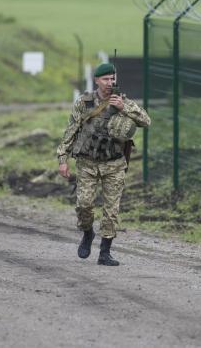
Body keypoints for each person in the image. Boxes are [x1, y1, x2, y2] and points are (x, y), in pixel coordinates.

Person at [57, 62, 150, 266]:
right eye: (106, 79)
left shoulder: (122, 101)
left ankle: (105, 252)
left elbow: (146, 121)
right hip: (87, 163)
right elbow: (71, 130)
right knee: (84, 205)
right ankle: (88, 233)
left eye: (112, 79)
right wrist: (62, 159)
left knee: (111, 210)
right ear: (97, 81)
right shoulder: (85, 102)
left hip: (114, 164)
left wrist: (122, 108)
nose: (110, 82)